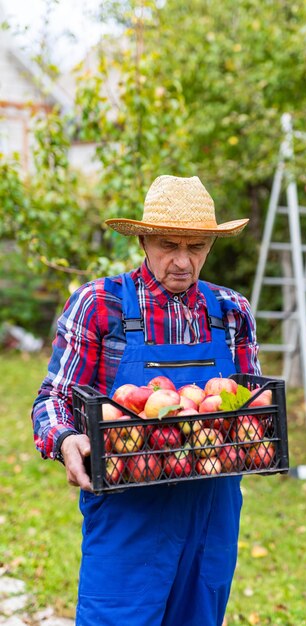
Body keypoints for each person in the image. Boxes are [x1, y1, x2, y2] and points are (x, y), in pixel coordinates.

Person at [32, 175, 261, 626]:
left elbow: (246, 409)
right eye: (167, 244)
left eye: (195, 247)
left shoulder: (233, 311)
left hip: (209, 512)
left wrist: (255, 436)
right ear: (143, 240)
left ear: (211, 245)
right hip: (127, 511)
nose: (181, 261)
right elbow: (52, 398)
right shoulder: (99, 305)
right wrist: (65, 439)